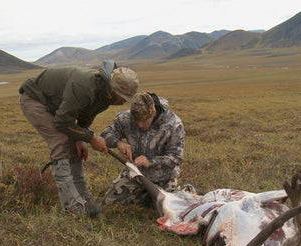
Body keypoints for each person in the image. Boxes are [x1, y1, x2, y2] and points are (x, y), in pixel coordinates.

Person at [19, 60, 139, 217]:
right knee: (61, 140)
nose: (123, 101)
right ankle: (72, 206)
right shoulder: (84, 86)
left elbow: (85, 116)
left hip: (58, 106)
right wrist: (91, 138)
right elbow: (62, 122)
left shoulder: (106, 97)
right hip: (36, 99)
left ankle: (82, 197)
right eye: (122, 96)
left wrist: (81, 139)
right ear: (112, 89)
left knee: (74, 144)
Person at [101, 92, 185, 206]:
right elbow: (105, 135)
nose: (139, 125)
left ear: (153, 114)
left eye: (144, 121)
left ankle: (186, 189)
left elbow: (176, 157)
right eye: (136, 120)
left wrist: (149, 162)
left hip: (165, 177)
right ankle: (149, 197)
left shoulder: (173, 123)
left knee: (169, 209)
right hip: (137, 175)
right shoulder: (126, 118)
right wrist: (118, 143)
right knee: (109, 202)